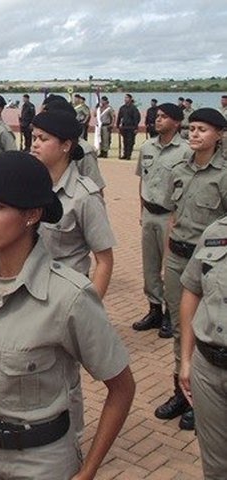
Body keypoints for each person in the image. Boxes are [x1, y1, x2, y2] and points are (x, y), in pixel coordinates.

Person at [0, 151, 135, 479]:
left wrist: (89, 469)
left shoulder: (69, 296)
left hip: (41, 461)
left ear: (31, 215)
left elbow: (122, 388)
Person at [158, 108, 227, 431]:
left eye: (202, 129)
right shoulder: (179, 169)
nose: (195, 134)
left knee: (204, 330)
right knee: (178, 327)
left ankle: (203, 402)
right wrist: (166, 258)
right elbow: (174, 217)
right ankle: (181, 394)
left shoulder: (224, 175)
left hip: (210, 266)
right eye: (192, 128)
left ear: (219, 135)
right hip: (177, 258)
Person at [31, 109, 116, 299]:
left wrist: (91, 307)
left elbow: (104, 260)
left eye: (43, 139)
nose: (35, 144)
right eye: (34, 137)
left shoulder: (84, 196)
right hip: (31, 287)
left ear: (66, 145)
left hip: (67, 293)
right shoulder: (30, 187)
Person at [133, 104, 190, 334]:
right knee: (150, 266)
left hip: (170, 216)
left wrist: (178, 218)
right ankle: (154, 310)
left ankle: (169, 314)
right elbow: (142, 181)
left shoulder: (186, 151)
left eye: (164, 117)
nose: (158, 120)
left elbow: (188, 188)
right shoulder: (147, 146)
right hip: (149, 214)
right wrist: (141, 211)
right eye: (157, 116)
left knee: (170, 268)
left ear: (176, 123)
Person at [179, 215, 227, 479]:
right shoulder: (215, 232)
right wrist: (186, 360)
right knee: (216, 467)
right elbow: (192, 290)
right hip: (207, 371)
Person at [116, 94, 141, 159]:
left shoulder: (134, 108)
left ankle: (128, 155)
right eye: (125, 98)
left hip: (131, 127)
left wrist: (136, 127)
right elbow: (119, 117)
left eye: (127, 98)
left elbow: (137, 118)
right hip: (124, 127)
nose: (125, 99)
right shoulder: (122, 108)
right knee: (125, 141)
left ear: (130, 99)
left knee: (130, 141)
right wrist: (117, 126)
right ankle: (125, 154)